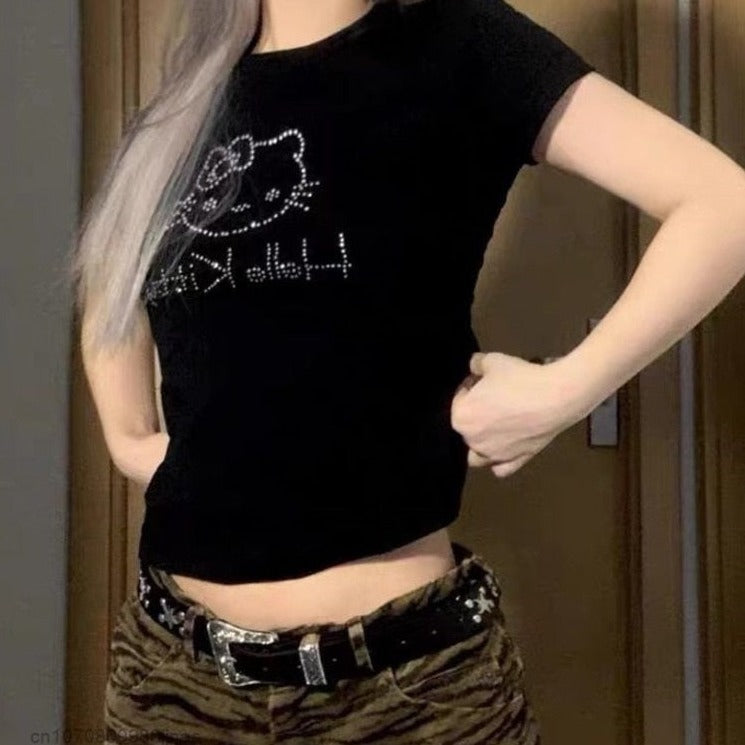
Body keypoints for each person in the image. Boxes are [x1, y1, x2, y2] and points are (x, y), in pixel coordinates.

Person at [72, 0, 745, 742]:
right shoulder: (187, 98)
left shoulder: (461, 42)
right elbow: (113, 270)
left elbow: (723, 204)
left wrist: (569, 389)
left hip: (402, 691)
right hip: (172, 678)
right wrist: (129, 438)